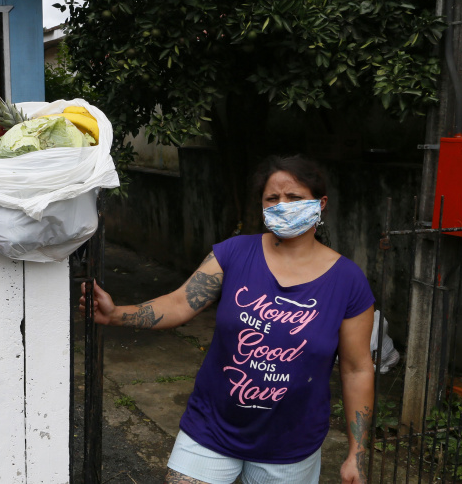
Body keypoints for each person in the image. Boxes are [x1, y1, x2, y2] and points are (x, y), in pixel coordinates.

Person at [83, 155, 375, 484]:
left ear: (320, 204)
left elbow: (357, 369)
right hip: (211, 427)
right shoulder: (234, 253)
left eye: (293, 198)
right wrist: (117, 314)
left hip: (291, 444)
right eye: (272, 198)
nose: (282, 205)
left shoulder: (348, 281)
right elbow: (181, 302)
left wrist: (358, 454)